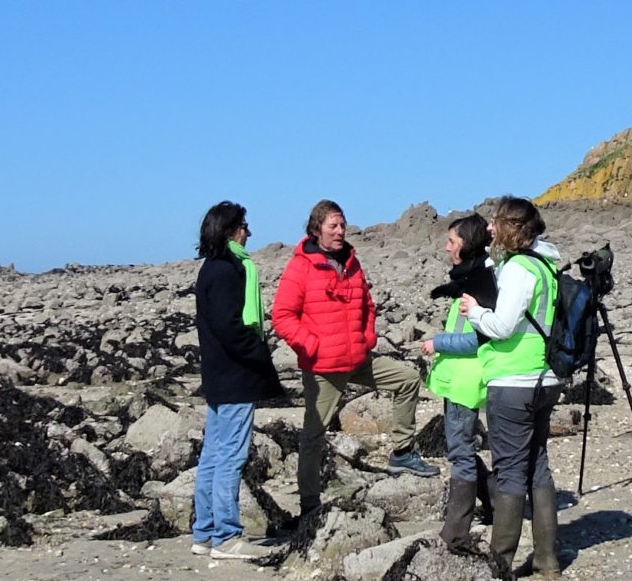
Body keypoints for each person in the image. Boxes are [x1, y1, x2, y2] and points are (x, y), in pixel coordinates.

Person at [271, 200, 432, 525]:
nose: (340, 231)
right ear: (316, 229)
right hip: (323, 366)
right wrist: (311, 345)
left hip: (357, 356)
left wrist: (368, 337)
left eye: (342, 225)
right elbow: (282, 316)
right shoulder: (300, 266)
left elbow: (368, 306)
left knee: (408, 379)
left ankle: (402, 452)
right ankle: (309, 505)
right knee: (313, 435)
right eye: (333, 226)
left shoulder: (352, 262)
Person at [452, 195, 562, 581]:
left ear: (512, 228)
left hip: (514, 381)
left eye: (496, 222)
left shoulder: (518, 269)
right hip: (544, 378)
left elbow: (502, 326)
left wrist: (474, 312)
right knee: (539, 467)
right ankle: (548, 560)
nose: (490, 229)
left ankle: (500, 567)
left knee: (511, 471)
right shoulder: (547, 264)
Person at [190, 200, 286, 561]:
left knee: (212, 455)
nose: (249, 232)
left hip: (218, 376)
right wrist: (259, 351)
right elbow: (230, 327)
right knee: (229, 455)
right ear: (231, 230)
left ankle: (205, 532)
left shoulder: (210, 268)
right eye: (244, 226)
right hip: (233, 376)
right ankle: (226, 536)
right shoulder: (229, 270)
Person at [419, 212, 497, 553]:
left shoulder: (479, 281)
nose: (447, 247)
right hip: (459, 379)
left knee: (461, 450)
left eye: (452, 241)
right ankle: (494, 503)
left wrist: (437, 343)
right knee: (459, 446)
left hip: (466, 380)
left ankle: (456, 529)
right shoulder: (472, 275)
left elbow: (473, 340)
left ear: (465, 245)